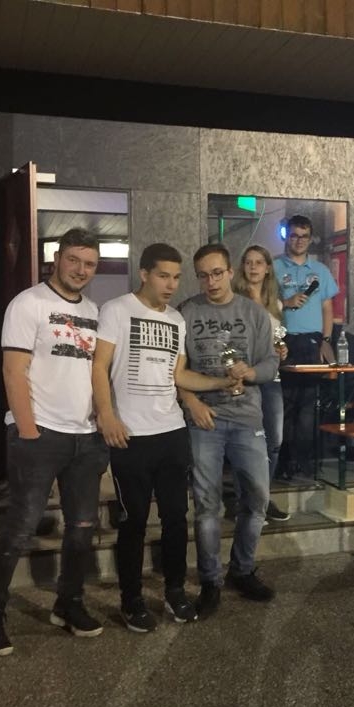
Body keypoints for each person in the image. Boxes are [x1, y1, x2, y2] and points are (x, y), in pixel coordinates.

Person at [0, 228, 110, 657]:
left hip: (85, 436)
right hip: (40, 433)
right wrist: (28, 430)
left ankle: (68, 604)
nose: (81, 270)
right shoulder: (28, 303)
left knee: (81, 529)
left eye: (89, 264)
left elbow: (97, 373)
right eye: (74, 260)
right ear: (57, 258)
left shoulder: (94, 311)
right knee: (20, 528)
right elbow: (13, 370)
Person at [92, 243, 240, 633]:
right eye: (163, 276)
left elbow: (178, 375)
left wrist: (220, 382)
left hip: (171, 432)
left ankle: (175, 592)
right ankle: (131, 600)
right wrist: (106, 415)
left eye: (176, 277)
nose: (171, 284)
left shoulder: (176, 319)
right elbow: (99, 366)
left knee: (176, 518)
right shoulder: (117, 310)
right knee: (134, 521)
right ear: (144, 274)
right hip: (131, 434)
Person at [178, 243, 280, 618]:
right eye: (203, 275)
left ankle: (242, 569)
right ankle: (210, 581)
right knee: (207, 505)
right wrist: (191, 402)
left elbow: (271, 363)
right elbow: (175, 369)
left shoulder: (253, 313)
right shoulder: (187, 312)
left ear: (230, 272)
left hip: (247, 418)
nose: (211, 281)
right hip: (205, 418)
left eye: (217, 273)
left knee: (257, 499)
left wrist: (251, 372)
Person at [274, 214, 339, 478]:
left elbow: (327, 309)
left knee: (308, 406)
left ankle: (304, 462)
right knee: (285, 406)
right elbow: (263, 303)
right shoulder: (274, 267)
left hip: (312, 341)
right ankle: (283, 463)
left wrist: (326, 341)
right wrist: (286, 303)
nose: (299, 241)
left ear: (310, 239)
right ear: (286, 237)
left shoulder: (320, 270)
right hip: (283, 341)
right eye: (294, 235)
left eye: (304, 236)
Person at [231, 244, 290, 521]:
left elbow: (276, 339)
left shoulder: (276, 303)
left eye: (259, 262)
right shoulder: (236, 301)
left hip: (272, 377)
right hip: (246, 377)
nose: (253, 267)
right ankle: (246, 501)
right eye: (248, 262)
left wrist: (282, 349)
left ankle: (262, 497)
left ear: (268, 268)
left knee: (274, 440)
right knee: (247, 441)